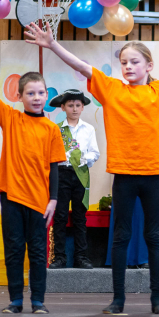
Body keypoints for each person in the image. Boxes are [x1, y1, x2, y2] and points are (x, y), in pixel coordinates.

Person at [24, 20, 159, 315]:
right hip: (125, 176)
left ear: (148, 66)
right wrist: (52, 44)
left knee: (154, 237)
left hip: (153, 175)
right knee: (121, 237)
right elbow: (83, 66)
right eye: (124, 62)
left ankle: (157, 299)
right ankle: (118, 299)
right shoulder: (112, 89)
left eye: (134, 62)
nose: (128, 67)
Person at [0, 71, 66, 314]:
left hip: (39, 201)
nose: (36, 97)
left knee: (38, 252)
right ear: (19, 96)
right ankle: (15, 301)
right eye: (30, 93)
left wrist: (53, 199)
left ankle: (38, 301)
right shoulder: (10, 118)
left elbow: (54, 167)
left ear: (46, 95)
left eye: (41, 93)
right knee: (14, 250)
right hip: (11, 197)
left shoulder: (51, 129)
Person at [47, 89, 100, 270]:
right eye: (70, 105)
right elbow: (50, 153)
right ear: (63, 107)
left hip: (81, 175)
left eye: (78, 105)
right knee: (60, 216)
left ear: (83, 107)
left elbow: (95, 153)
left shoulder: (88, 129)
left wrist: (83, 158)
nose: (74, 109)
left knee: (80, 217)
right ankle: (59, 257)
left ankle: (81, 257)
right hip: (61, 174)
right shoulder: (56, 129)